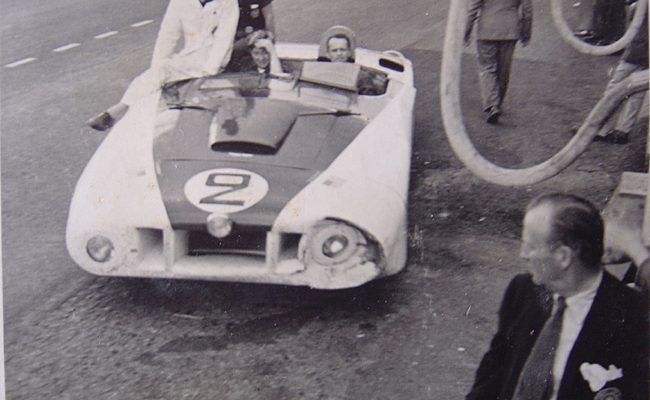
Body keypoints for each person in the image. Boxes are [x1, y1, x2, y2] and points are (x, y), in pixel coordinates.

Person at [466, 193, 648, 400]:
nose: (523, 254)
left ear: (563, 257)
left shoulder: (634, 316)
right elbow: (492, 375)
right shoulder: (522, 290)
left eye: (530, 246)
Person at [87, 0, 240, 131]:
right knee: (157, 79)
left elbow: (224, 38)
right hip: (189, 57)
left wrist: (210, 70)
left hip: (214, 60)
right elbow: (168, 34)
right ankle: (121, 116)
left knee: (159, 78)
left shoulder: (227, 2)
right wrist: (157, 66)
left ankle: (116, 112)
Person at [464, 0, 533, 124]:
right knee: (504, 70)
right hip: (510, 31)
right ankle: (497, 103)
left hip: (486, 30)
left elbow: (473, 8)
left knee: (487, 68)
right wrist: (526, 34)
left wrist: (466, 32)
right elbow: (527, 10)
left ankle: (492, 104)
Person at [594, 9, 647, 144]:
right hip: (642, 53)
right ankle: (622, 130)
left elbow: (633, 15)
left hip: (637, 50)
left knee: (615, 88)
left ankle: (600, 127)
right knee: (637, 93)